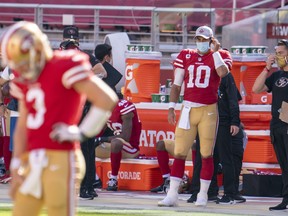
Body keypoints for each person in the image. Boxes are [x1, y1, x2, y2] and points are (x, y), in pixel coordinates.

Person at [1, 21, 118, 216]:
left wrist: (81, 132)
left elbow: (106, 99)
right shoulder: (25, 76)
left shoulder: (65, 64)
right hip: (32, 158)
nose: (22, 67)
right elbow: (23, 123)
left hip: (60, 157)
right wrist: (16, 165)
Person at [158, 25, 232, 207]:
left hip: (209, 110)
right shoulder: (186, 55)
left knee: (206, 154)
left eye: (204, 40)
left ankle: (203, 194)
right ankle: (172, 194)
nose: (200, 43)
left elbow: (223, 73)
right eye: (198, 39)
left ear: (212, 40)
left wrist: (215, 53)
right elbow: (176, 85)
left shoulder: (221, 55)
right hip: (188, 109)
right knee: (180, 152)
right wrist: (171, 107)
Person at [60, 26, 108, 200]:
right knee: (79, 149)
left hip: (78, 107)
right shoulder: (69, 56)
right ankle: (83, 186)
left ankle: (85, 186)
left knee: (83, 148)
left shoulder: (79, 56)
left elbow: (102, 71)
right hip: (73, 107)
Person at [187, 74, 246, 204]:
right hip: (204, 120)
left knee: (226, 158)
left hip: (222, 121)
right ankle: (200, 191)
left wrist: (235, 121)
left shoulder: (226, 76)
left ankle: (229, 193)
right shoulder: (204, 72)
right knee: (202, 158)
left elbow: (233, 100)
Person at [252, 39, 288, 211]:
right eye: (277, 53)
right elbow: (256, 89)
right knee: (284, 164)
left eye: (281, 53)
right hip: (277, 125)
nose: (278, 57)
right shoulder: (277, 75)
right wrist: (267, 67)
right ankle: (286, 199)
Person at [95, 99, 142, 191]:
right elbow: (99, 131)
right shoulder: (105, 109)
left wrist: (102, 139)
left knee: (116, 142)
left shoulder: (124, 107)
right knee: (86, 145)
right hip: (117, 146)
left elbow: (125, 137)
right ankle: (94, 179)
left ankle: (113, 178)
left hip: (131, 147)